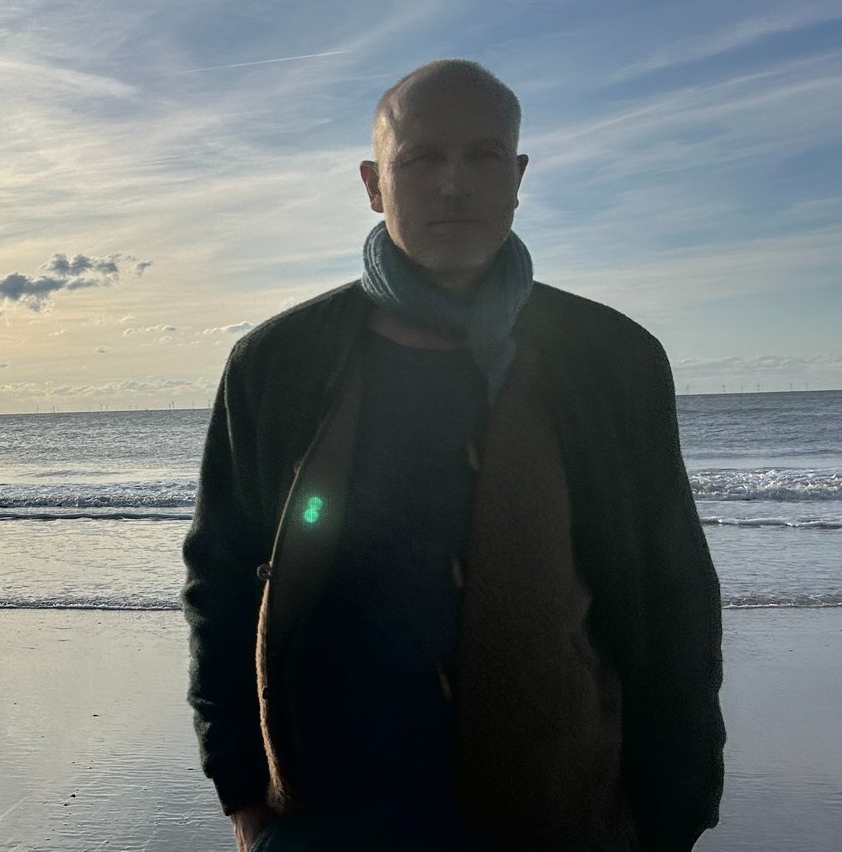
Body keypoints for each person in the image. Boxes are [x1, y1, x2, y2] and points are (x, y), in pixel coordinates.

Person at [181, 60, 724, 851]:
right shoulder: (278, 363)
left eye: (482, 156)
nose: (452, 183)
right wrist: (239, 786)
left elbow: (672, 591)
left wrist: (675, 808)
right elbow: (222, 578)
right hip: (328, 814)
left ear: (518, 174)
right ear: (374, 182)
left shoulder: (613, 359)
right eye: (421, 159)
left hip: (562, 807)